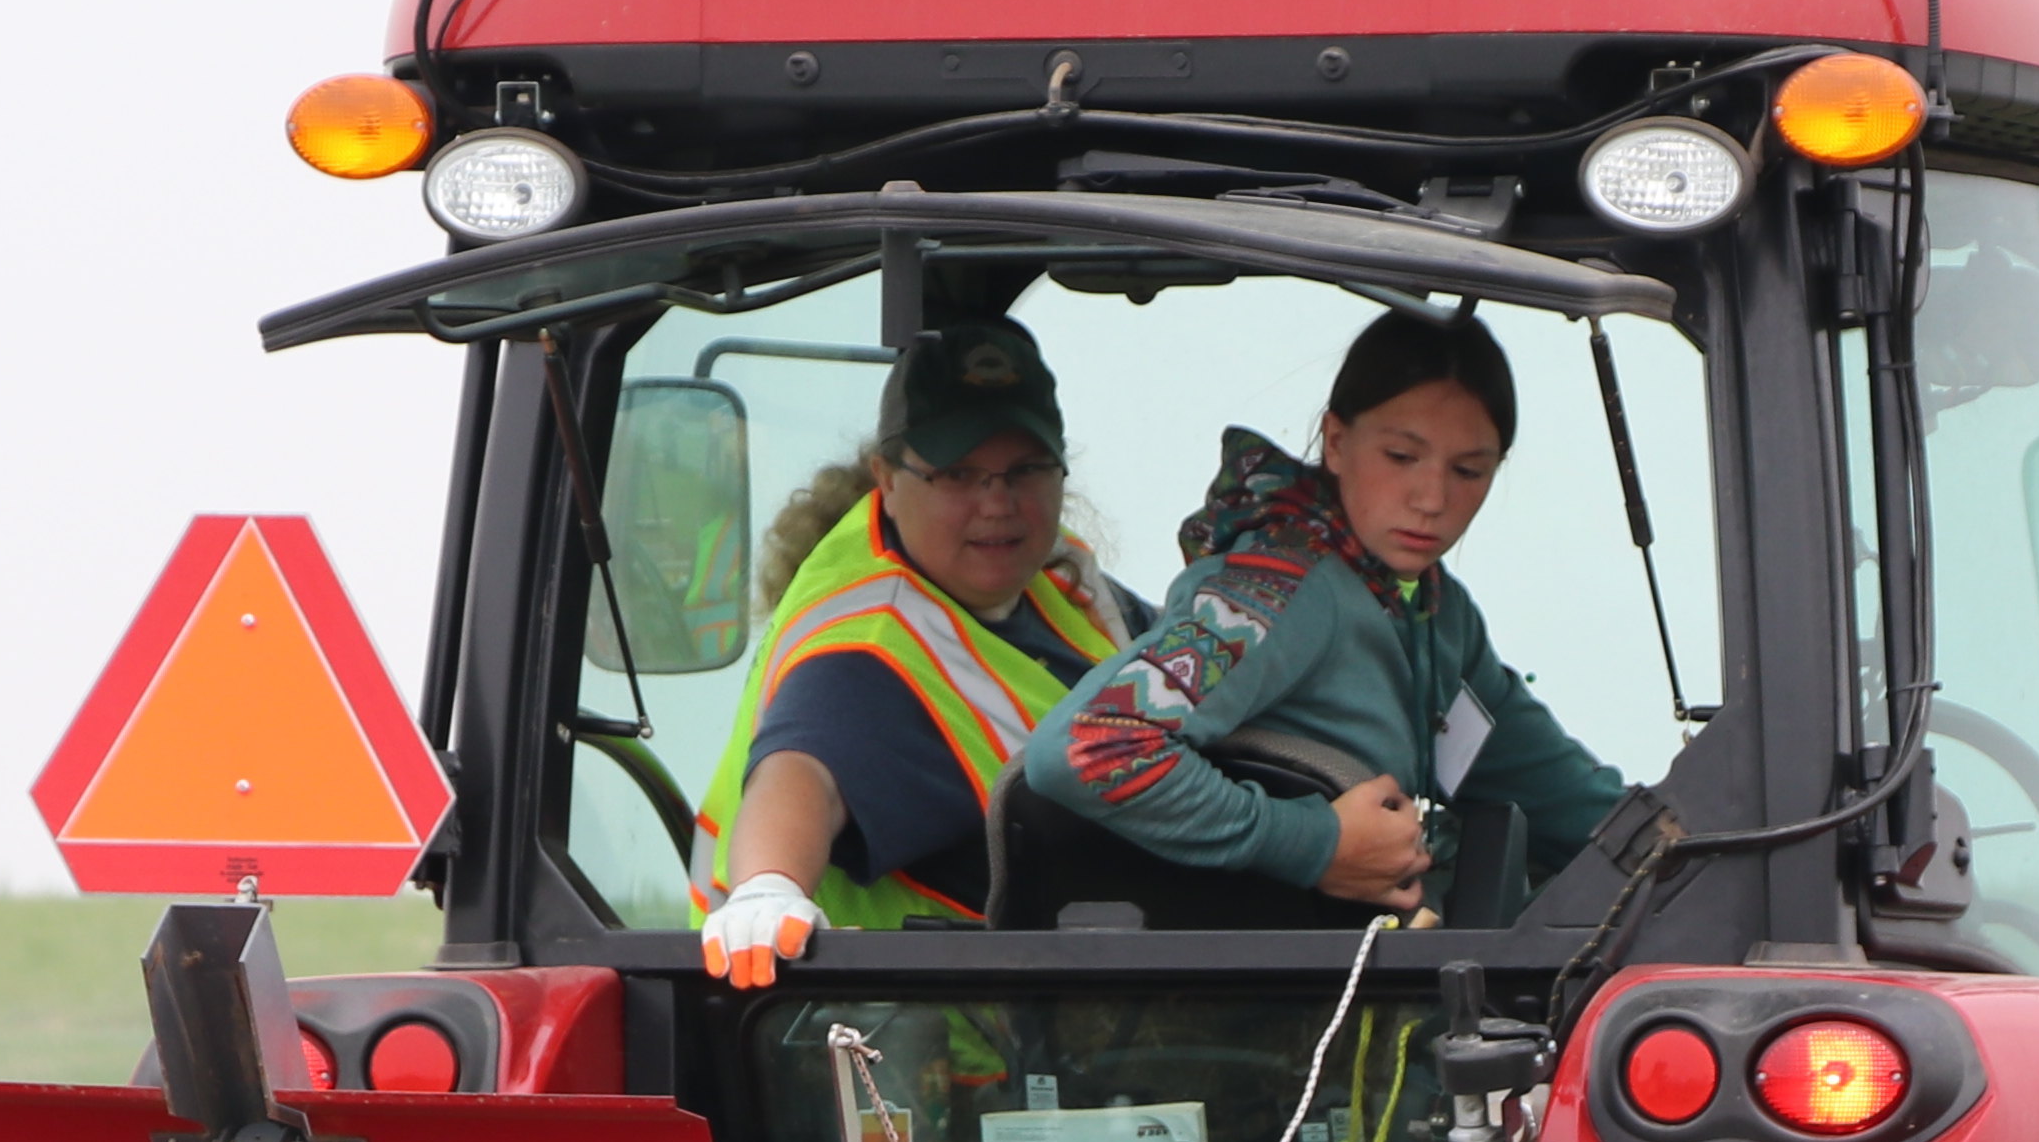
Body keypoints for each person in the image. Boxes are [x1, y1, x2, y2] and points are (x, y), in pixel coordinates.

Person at [1008, 307, 1625, 920]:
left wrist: (1697, 830)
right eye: (1401, 457)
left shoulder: (1437, 615)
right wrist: (1314, 844)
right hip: (1229, 994)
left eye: (1468, 471)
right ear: (1335, 441)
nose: (1432, 499)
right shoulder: (1280, 589)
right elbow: (1088, 748)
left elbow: (1562, 800)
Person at [690, 320, 1130, 985]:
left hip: (1058, 1009)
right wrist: (768, 889)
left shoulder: (1058, 579)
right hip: (896, 1049)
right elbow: (799, 771)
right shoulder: (867, 640)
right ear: (887, 479)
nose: (998, 503)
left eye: (1026, 469)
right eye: (958, 474)